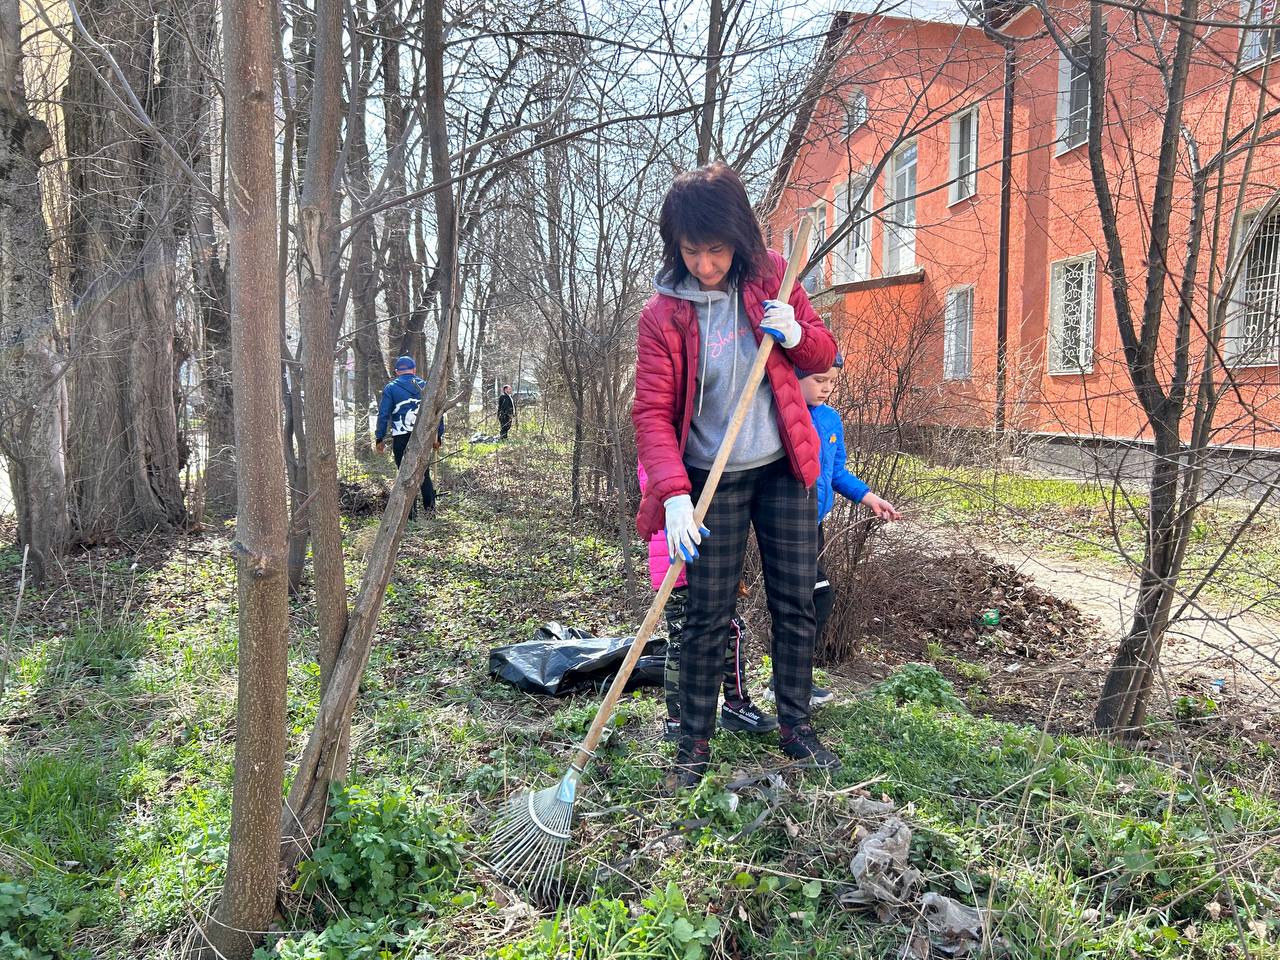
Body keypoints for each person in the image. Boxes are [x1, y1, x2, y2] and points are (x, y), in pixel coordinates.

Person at [632, 162, 840, 788]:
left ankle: (796, 725)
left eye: (716, 249)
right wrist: (672, 495)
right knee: (705, 614)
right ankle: (694, 741)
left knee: (796, 602)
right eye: (691, 251)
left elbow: (823, 353)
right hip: (710, 479)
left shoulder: (775, 278)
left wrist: (797, 332)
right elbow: (651, 413)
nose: (705, 264)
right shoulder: (664, 314)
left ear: (739, 239)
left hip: (782, 469)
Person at [639, 464, 776, 741]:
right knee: (687, 640)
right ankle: (684, 719)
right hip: (678, 565)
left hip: (698, 561)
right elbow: (659, 492)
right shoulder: (661, 460)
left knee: (728, 631)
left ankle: (730, 707)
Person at [796, 355, 902, 665]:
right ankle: (790, 679)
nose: (827, 388)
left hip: (815, 523)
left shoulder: (830, 419)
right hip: (789, 522)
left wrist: (870, 498)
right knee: (815, 597)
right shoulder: (786, 415)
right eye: (819, 380)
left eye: (832, 382)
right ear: (797, 375)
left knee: (811, 600)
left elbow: (837, 473)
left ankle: (791, 678)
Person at [375, 356, 445, 519]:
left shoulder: (391, 388)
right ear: (414, 370)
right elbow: (439, 413)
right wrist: (438, 436)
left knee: (404, 476)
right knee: (424, 474)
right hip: (423, 436)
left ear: (397, 372)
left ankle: (411, 516)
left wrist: (380, 437)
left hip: (401, 437)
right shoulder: (427, 386)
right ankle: (430, 514)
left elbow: (383, 414)